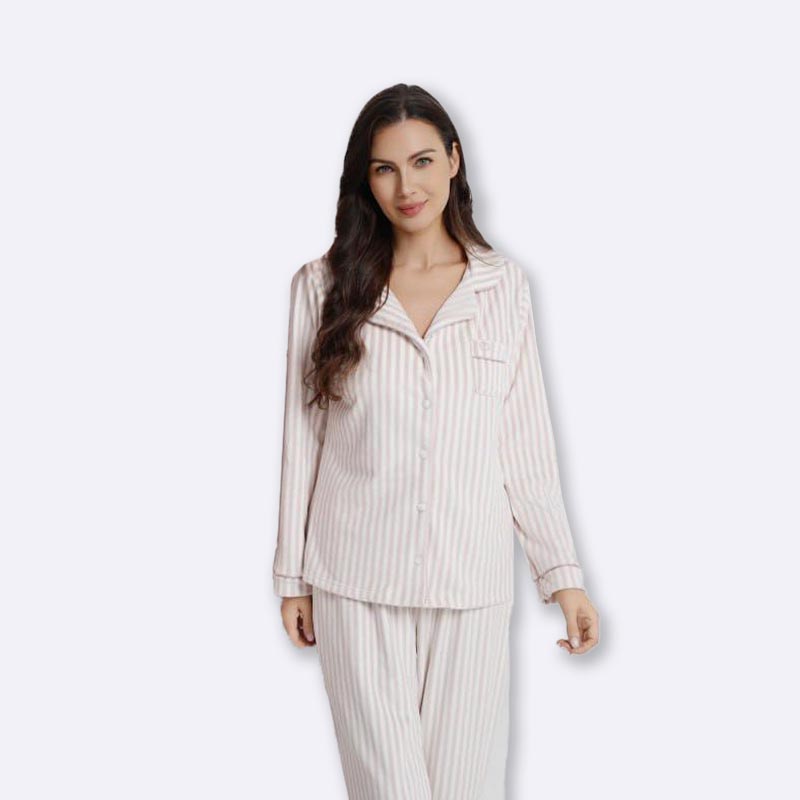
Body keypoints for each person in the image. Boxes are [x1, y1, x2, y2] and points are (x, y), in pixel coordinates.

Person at [272, 83, 600, 800]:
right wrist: (291, 576)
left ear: (453, 159)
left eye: (421, 161)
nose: (406, 187)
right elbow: (303, 440)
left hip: (471, 584)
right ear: (365, 179)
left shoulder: (502, 288)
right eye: (385, 168)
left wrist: (562, 575)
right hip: (355, 581)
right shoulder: (323, 288)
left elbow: (524, 445)